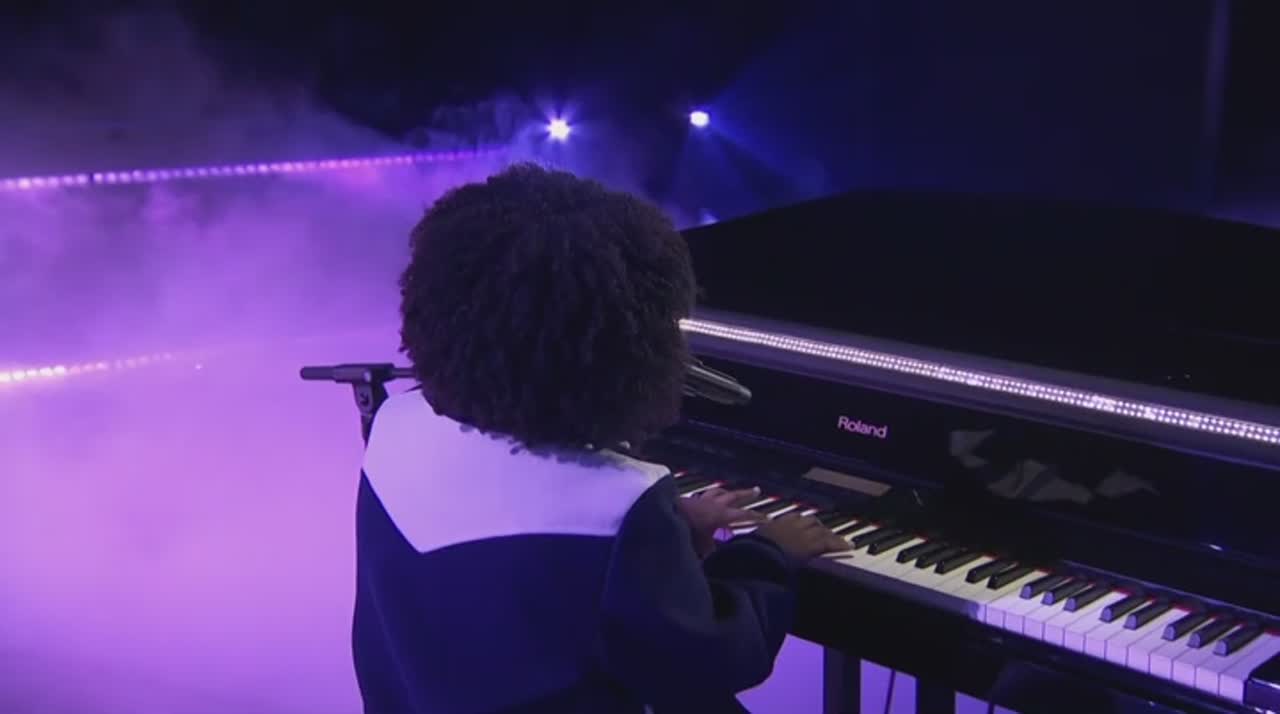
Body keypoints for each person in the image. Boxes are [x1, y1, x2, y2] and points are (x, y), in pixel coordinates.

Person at [353, 163, 850, 714]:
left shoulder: (395, 426)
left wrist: (666, 537)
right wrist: (767, 554)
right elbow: (707, 660)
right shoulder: (615, 505)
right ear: (618, 354)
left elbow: (511, 587)